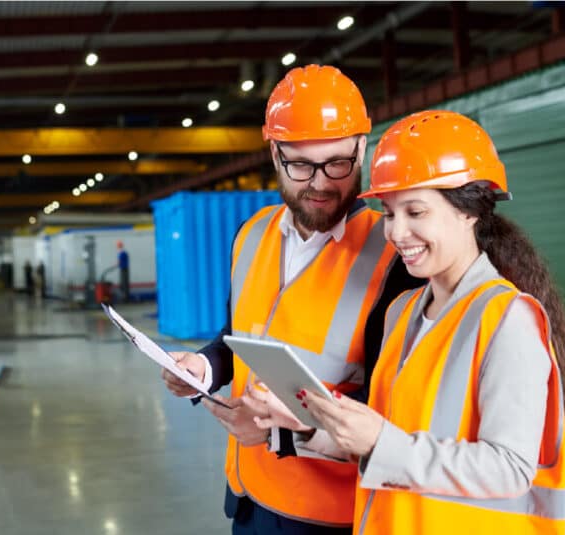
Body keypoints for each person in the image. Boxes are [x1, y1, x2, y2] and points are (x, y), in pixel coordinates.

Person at [255, 110, 565, 534]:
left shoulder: (507, 320)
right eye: (390, 213)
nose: (396, 232)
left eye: (416, 211)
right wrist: (310, 426)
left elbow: (509, 469)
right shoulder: (403, 311)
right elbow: (389, 444)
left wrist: (379, 441)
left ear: (469, 212)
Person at [160, 65, 420, 534]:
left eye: (337, 164)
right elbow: (237, 337)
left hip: (330, 512)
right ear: (274, 154)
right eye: (300, 165)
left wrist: (282, 430)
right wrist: (205, 368)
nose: (319, 184)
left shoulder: (396, 255)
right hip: (248, 494)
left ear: (362, 148)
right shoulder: (252, 235)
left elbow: (395, 408)